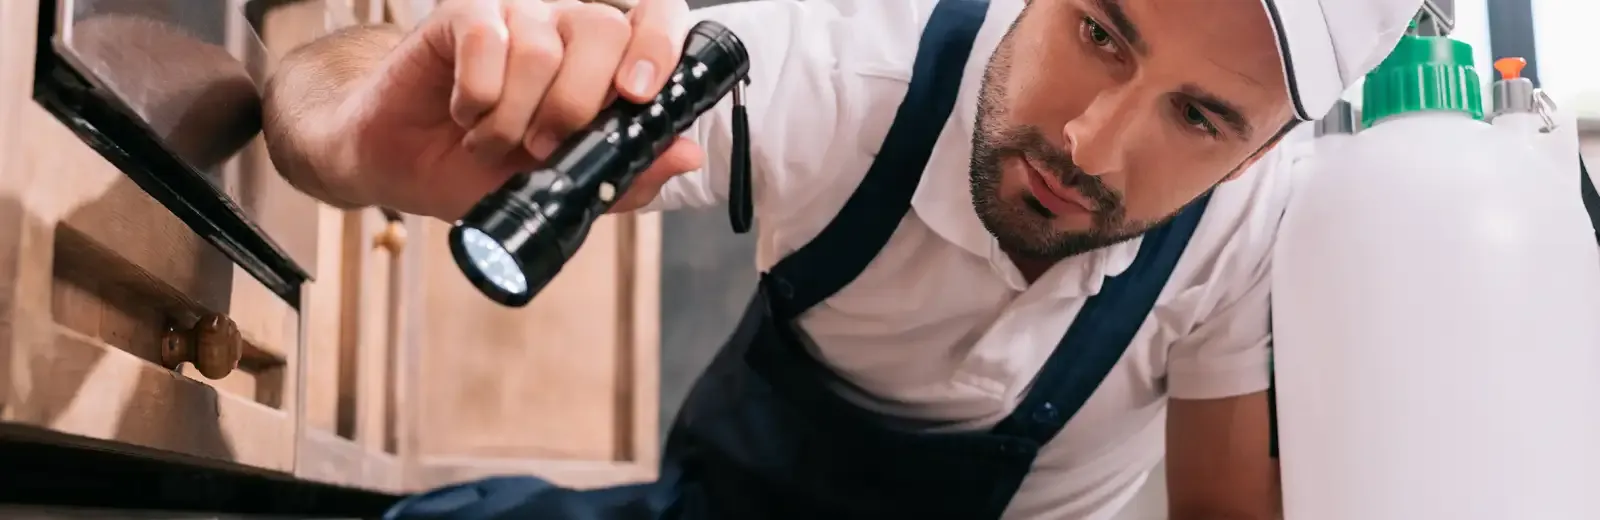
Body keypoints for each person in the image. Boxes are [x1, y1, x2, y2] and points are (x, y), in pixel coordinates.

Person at [261, 0, 1423, 518]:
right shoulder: (836, 77)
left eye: (1203, 119)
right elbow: (328, 77)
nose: (1090, 146)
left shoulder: (1260, 231)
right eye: (1098, 33)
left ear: (1270, 145)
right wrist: (368, 130)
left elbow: (1219, 508)